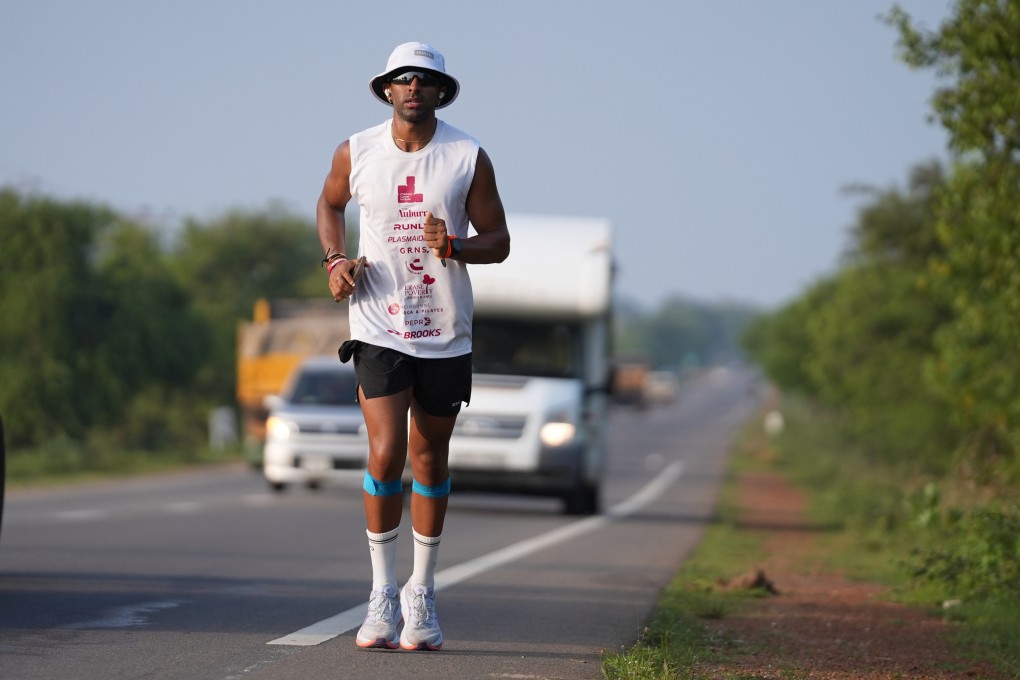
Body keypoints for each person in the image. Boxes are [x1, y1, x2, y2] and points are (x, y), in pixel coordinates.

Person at [316, 41, 510, 651]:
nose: (413, 88)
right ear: (387, 90)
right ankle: (380, 595)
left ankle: (420, 595)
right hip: (377, 322)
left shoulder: (466, 155)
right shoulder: (357, 149)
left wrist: (453, 245)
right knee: (384, 453)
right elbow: (329, 203)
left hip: (443, 329)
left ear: (440, 92)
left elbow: (499, 241)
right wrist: (336, 258)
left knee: (428, 459)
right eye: (403, 79)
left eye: (425, 80)